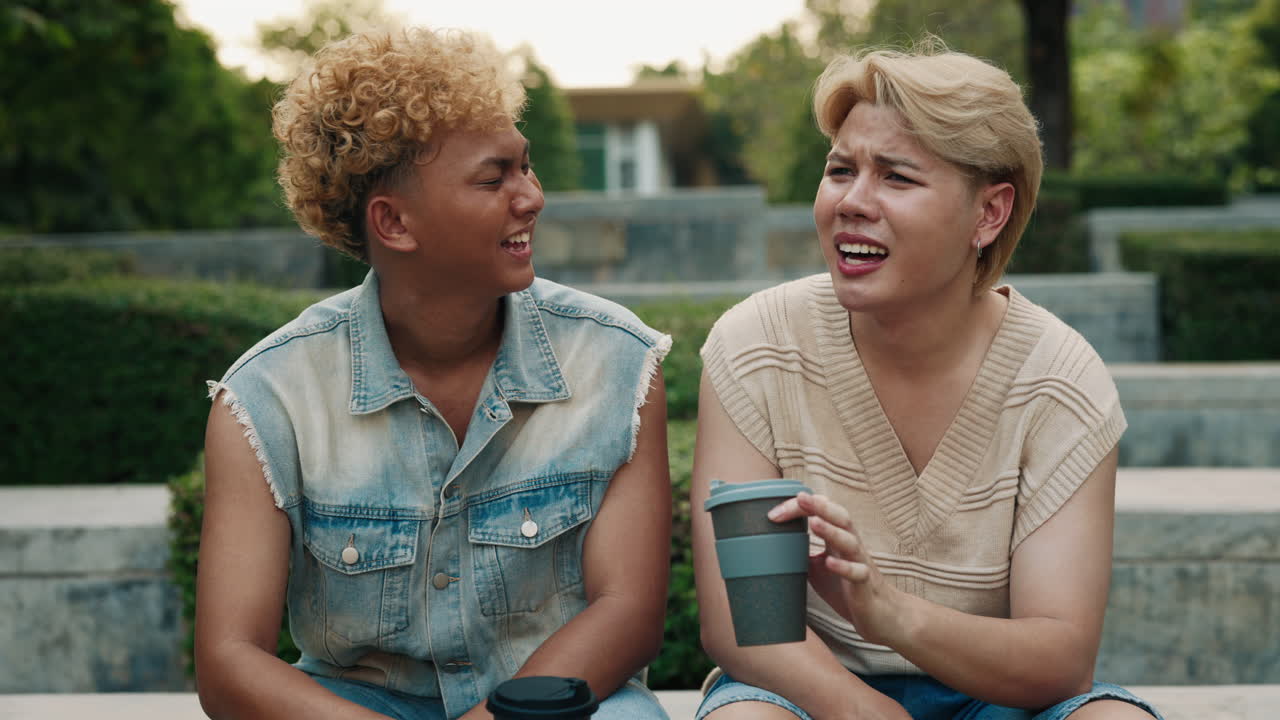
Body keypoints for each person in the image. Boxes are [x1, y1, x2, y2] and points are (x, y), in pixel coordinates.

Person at [195, 27, 672, 720]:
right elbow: (229, 661)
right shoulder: (269, 397)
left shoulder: (616, 361)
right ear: (394, 223)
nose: (531, 197)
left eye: (526, 166)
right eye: (494, 177)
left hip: (549, 705)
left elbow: (628, 613)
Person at [690, 43, 1165, 720]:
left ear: (988, 214)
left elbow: (1059, 659)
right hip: (807, 691)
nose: (853, 201)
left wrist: (890, 614)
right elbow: (748, 626)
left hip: (993, 695)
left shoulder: (1061, 380)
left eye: (897, 178)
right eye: (840, 170)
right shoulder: (757, 346)